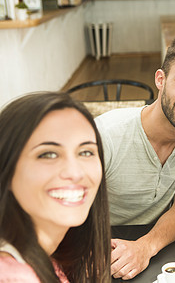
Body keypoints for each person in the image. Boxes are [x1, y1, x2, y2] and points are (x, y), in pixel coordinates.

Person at [95, 31, 175, 279]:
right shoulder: (107, 135)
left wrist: (145, 247)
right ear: (160, 79)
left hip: (164, 246)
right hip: (104, 247)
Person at [0, 92, 111, 282]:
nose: (75, 173)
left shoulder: (57, 252)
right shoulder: (14, 276)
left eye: (86, 152)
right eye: (48, 154)